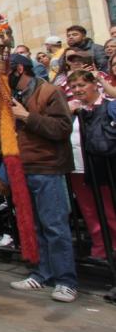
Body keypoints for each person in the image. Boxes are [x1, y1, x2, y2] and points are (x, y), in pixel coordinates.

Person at [7, 54, 77, 303]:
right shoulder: (15, 97)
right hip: (25, 168)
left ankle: (66, 281)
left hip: (48, 168)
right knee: (36, 225)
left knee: (55, 226)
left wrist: (26, 116)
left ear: (19, 69)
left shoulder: (49, 91)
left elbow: (62, 128)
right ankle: (42, 273)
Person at [67, 70, 116, 260]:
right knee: (88, 210)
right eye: (73, 87)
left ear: (94, 84)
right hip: (77, 167)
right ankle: (99, 247)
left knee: (108, 208)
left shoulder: (108, 105)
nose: (77, 90)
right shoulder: (71, 108)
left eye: (81, 85)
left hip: (101, 166)